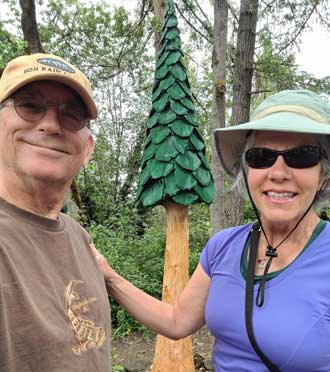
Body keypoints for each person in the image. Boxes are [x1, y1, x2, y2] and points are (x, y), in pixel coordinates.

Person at [92, 89, 330, 371]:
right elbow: (177, 321)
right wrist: (108, 277)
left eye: (302, 156)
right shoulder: (224, 246)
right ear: (246, 169)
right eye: (261, 156)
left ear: (323, 173)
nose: (278, 173)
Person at [0, 53, 111, 372]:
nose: (50, 124)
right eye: (30, 105)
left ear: (87, 149)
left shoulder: (79, 237)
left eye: (72, 115)